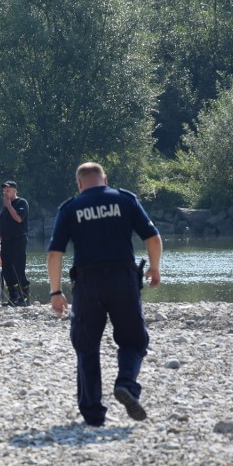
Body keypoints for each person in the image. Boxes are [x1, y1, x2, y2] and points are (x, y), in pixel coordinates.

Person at [47, 162, 162, 426]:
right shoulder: (125, 200)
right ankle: (126, 384)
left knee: (86, 346)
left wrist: (56, 291)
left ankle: (93, 414)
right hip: (123, 279)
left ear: (79, 183)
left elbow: (55, 253)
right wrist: (154, 268)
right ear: (105, 179)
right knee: (133, 341)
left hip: (88, 284)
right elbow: (153, 238)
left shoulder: (70, 208)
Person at [0, 180, 30, 306]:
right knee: (7, 271)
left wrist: (9, 206)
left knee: (18, 269)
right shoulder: (4, 207)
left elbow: (19, 219)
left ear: (15, 190)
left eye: (8, 190)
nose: (5, 192)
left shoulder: (21, 203)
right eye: (4, 190)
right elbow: (3, 225)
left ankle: (24, 298)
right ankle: (13, 297)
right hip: (6, 241)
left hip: (18, 240)